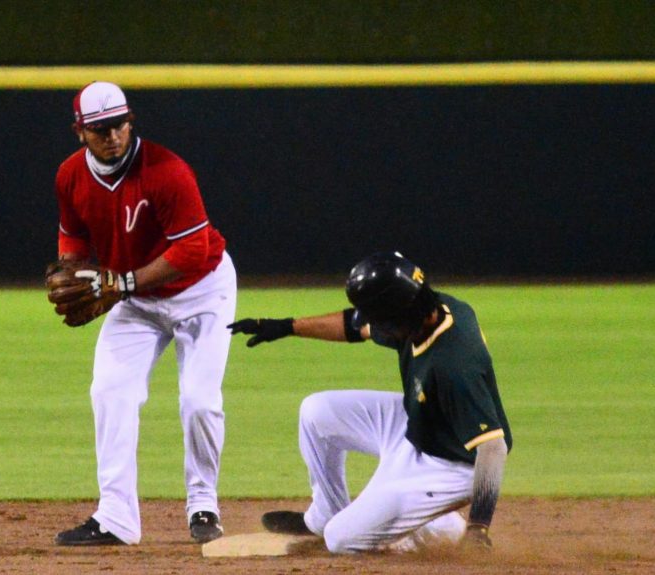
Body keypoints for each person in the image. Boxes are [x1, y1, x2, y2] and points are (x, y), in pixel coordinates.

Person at [49, 81, 236, 545]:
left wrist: (122, 283)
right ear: (80, 131)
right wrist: (75, 273)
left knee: (199, 400)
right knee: (109, 391)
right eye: (100, 129)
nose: (113, 135)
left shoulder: (167, 171)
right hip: (134, 302)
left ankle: (203, 505)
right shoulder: (71, 176)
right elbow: (72, 236)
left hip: (202, 292)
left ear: (131, 121)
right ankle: (116, 517)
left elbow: (192, 250)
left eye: (120, 125)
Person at [228, 251, 511, 553]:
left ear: (399, 313)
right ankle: (326, 513)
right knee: (316, 411)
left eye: (378, 318)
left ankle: (437, 528)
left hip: (450, 466)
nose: (374, 325)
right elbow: (354, 326)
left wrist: (478, 527)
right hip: (421, 423)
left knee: (341, 540)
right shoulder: (422, 309)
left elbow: (493, 448)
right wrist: (286, 326)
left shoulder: (455, 364)